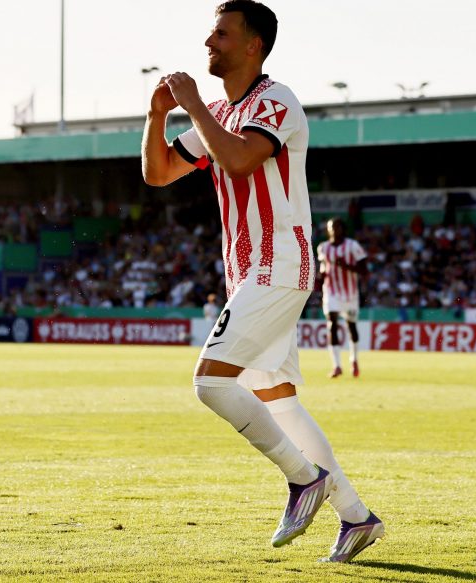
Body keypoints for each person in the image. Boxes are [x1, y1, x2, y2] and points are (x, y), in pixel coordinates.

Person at [140, 0, 382, 563]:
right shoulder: (218, 112)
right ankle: (356, 517)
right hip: (250, 271)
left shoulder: (275, 100)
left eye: (221, 34)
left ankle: (303, 479)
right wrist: (157, 116)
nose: (209, 43)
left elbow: (244, 159)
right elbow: (158, 174)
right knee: (280, 402)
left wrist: (193, 104)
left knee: (210, 383)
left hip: (278, 264)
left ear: (254, 45)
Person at [317, 217, 368, 378]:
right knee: (332, 322)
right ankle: (337, 365)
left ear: (343, 229)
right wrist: (320, 277)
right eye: (331, 227)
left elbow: (364, 269)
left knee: (351, 326)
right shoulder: (323, 248)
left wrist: (346, 266)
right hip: (331, 291)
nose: (334, 230)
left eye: (337, 227)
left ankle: (354, 359)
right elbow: (324, 269)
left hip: (350, 294)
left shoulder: (353, 246)